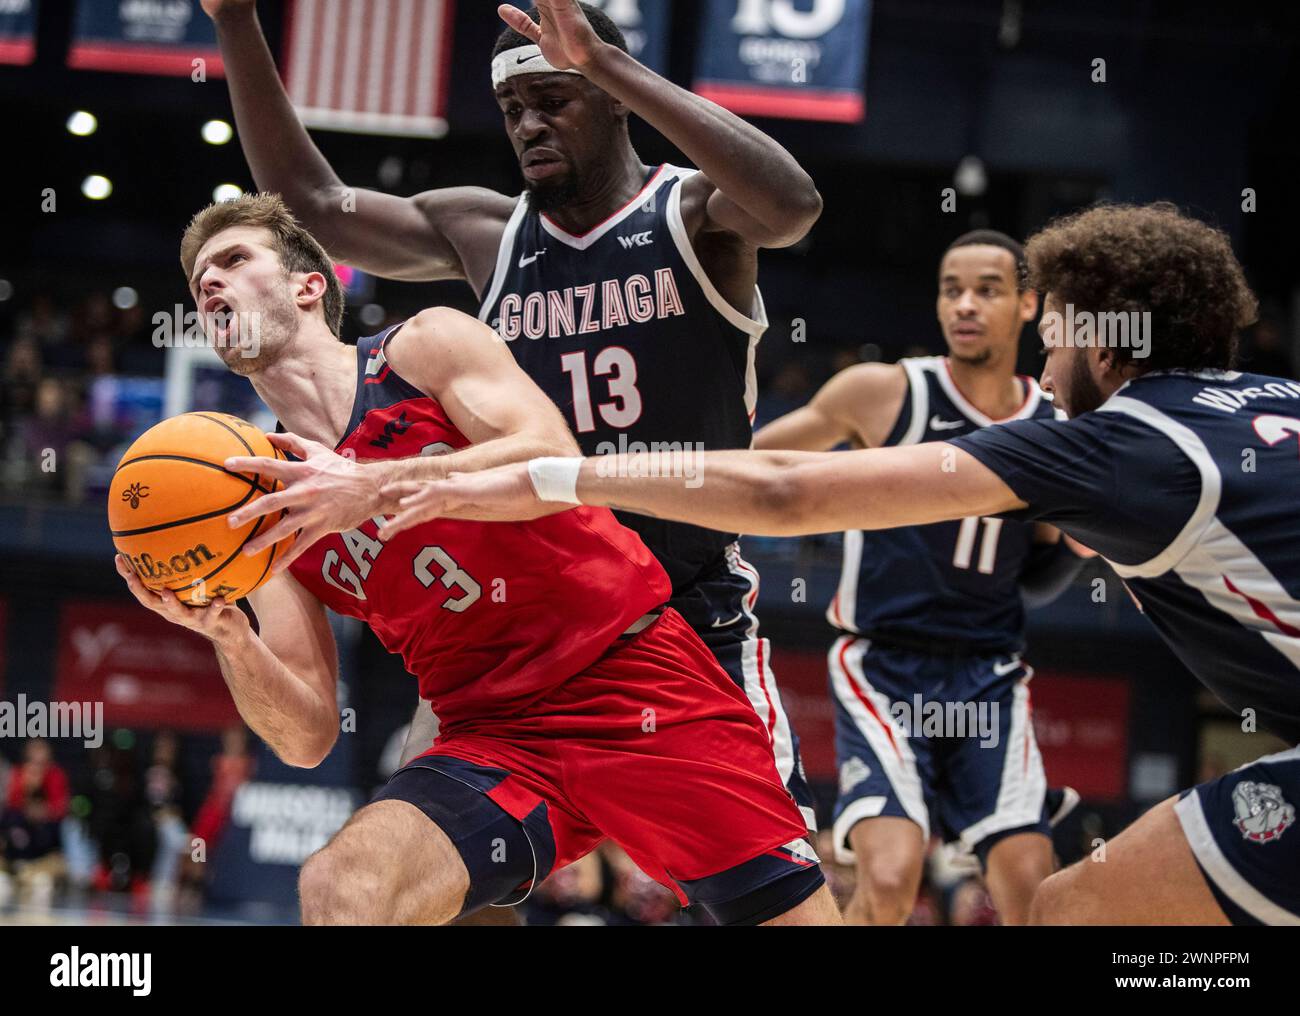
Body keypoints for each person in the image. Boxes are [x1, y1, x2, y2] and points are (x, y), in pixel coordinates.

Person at [390, 202, 1300, 926]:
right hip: (895, 662)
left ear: (1101, 348)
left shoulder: (1109, 443)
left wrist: (558, 474)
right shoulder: (1271, 402)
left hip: (983, 670)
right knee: (1039, 897)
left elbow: (788, 492)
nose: (1047, 365)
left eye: (1055, 337)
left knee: (1069, 910)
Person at [116, 194, 836, 925]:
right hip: (491, 737)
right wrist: (227, 634)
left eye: (235, 260)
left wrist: (373, 484)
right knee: (346, 887)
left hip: (631, 678)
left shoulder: (422, 347)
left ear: (310, 285)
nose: (210, 283)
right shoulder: (259, 505)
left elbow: (552, 460)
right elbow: (307, 738)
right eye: (199, 279)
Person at [200, 0, 822, 824]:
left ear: (609, 100)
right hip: (531, 616)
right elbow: (314, 208)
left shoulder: (693, 214)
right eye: (512, 111)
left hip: (684, 591)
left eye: (552, 102)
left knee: (765, 881)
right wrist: (236, 18)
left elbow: (794, 205)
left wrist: (613, 65)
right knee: (429, 883)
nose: (529, 126)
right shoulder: (487, 231)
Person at [753, 231, 1088, 924]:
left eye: (987, 290)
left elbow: (1043, 575)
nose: (965, 305)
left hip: (989, 672)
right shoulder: (885, 394)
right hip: (885, 663)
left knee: (1034, 887)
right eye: (950, 289)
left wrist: (1084, 544)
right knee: (891, 874)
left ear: (1029, 304)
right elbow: (749, 463)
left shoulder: (1054, 423)